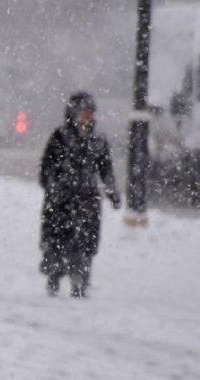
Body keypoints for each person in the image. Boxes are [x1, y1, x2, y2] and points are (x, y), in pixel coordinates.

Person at [39, 92, 121, 298]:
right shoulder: (59, 137)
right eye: (84, 113)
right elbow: (46, 170)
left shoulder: (98, 141)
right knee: (58, 238)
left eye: (91, 113)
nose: (89, 118)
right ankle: (55, 275)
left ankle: (80, 279)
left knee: (86, 241)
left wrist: (111, 191)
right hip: (62, 201)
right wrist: (55, 188)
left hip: (88, 200)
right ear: (74, 114)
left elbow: (106, 169)